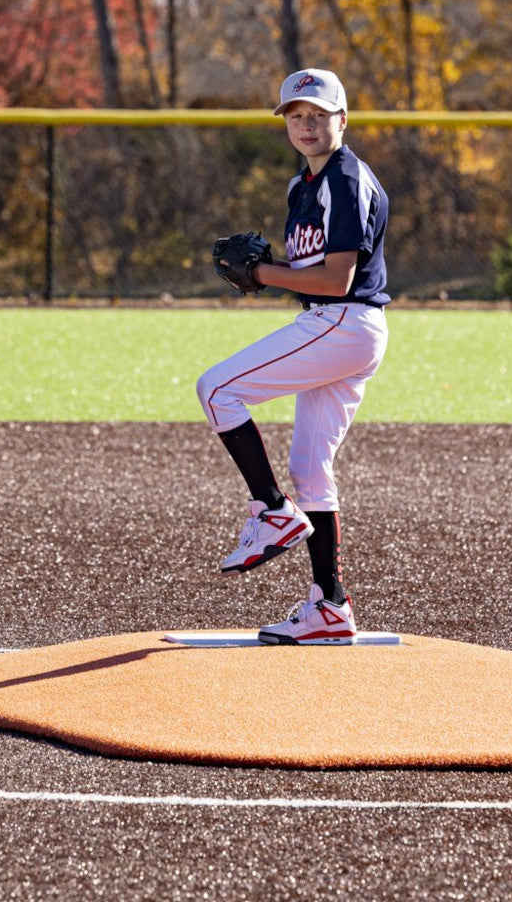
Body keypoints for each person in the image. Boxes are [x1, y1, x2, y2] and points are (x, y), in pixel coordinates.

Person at [196, 67, 390, 645]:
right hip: (338, 325)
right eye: (295, 116)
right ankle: (330, 607)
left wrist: (259, 272)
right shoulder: (300, 186)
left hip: (342, 320)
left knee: (217, 389)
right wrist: (274, 268)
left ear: (343, 119)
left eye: (318, 114)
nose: (306, 125)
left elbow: (336, 278)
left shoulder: (346, 179)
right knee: (311, 469)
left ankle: (270, 510)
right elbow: (309, 270)